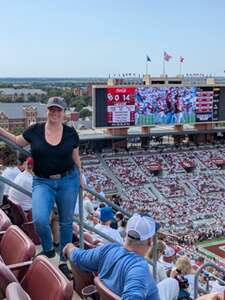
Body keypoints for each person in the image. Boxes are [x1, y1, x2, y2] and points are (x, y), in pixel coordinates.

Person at [0, 96, 84, 278]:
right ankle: (48, 249)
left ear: (64, 114)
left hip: (68, 180)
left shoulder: (71, 133)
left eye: (58, 110)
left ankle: (63, 261)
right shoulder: (35, 130)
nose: (54, 113)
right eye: (51, 109)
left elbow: (75, 157)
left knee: (66, 222)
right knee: (39, 219)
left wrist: (81, 176)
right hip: (42, 181)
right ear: (47, 111)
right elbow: (16, 140)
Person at [63, 213, 160, 299]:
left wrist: (68, 247)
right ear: (150, 241)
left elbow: (79, 257)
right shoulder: (139, 269)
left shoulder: (108, 249)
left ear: (126, 234)